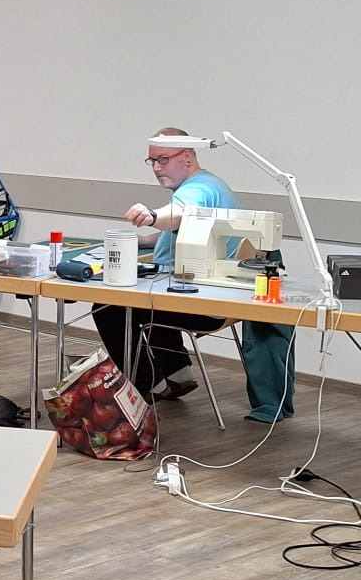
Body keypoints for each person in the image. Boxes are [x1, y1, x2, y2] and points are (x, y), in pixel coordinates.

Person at [92, 127, 297, 422]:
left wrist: (152, 216)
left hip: (203, 306)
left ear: (187, 156)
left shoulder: (197, 189)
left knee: (109, 306)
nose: (157, 168)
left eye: (163, 159)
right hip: (203, 294)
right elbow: (189, 227)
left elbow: (179, 212)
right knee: (149, 295)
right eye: (152, 161)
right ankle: (178, 373)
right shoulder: (211, 184)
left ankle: (149, 386)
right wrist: (147, 240)